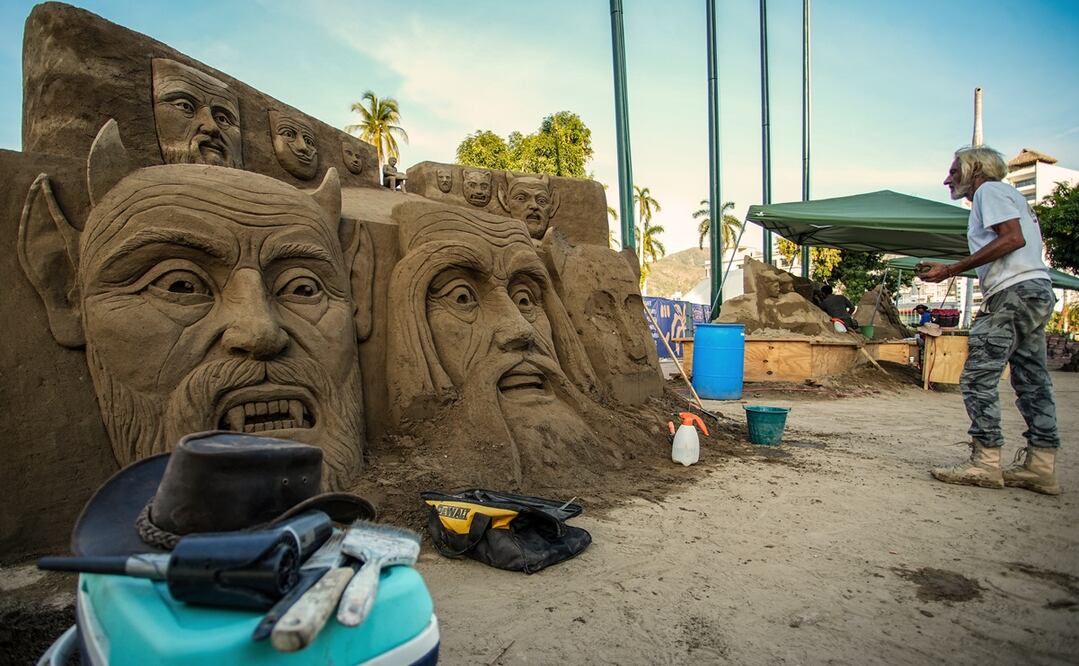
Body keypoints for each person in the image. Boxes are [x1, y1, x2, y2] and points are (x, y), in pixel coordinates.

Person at [920, 145, 1060, 494]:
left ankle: (984, 463)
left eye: (954, 172)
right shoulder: (1012, 197)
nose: (948, 179)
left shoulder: (989, 192)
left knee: (978, 376)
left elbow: (1012, 238)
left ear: (976, 170)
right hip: (1035, 291)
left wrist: (951, 269)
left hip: (1012, 294)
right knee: (1032, 379)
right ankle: (1041, 466)